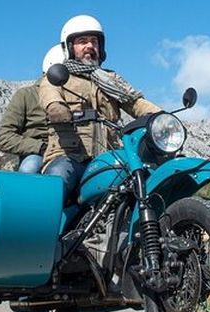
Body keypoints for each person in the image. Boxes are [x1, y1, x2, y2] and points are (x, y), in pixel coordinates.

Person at [39, 15, 161, 199]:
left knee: (147, 181)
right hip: (70, 156)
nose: (89, 46)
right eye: (82, 41)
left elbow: (134, 102)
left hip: (110, 157)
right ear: (70, 47)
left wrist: (162, 117)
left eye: (94, 41)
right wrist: (58, 109)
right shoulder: (58, 76)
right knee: (58, 180)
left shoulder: (110, 79)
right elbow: (50, 97)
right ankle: (46, 227)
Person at [0, 45, 64, 173]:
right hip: (39, 154)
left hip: (73, 152)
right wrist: (41, 147)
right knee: (30, 167)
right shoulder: (26, 95)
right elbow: (4, 136)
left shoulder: (78, 96)